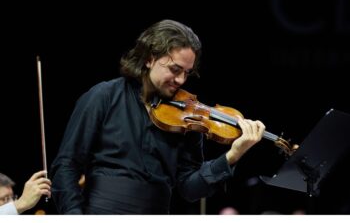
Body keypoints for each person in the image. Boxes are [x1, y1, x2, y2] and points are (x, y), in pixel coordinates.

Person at [50, 19, 265, 214]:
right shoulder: (103, 96)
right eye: (174, 69)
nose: (181, 79)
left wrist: (232, 155)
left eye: (187, 72)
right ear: (149, 59)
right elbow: (66, 166)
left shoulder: (188, 118)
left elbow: (189, 189)